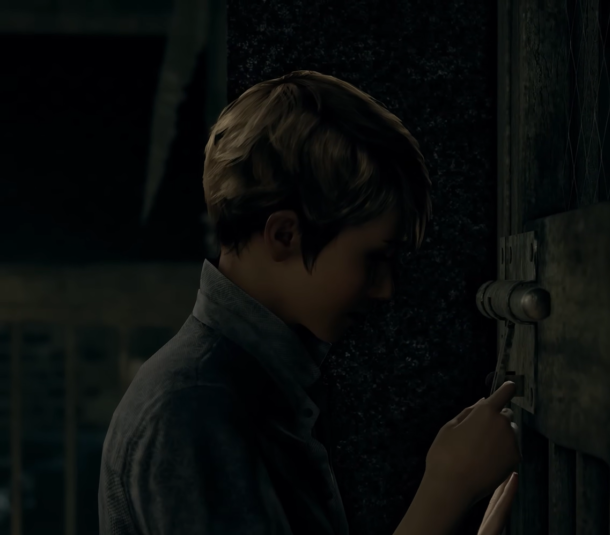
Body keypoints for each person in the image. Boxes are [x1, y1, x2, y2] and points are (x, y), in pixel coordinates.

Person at [98, 70, 521, 535]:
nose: (385, 290)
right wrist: (447, 490)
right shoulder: (195, 410)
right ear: (284, 235)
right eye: (374, 259)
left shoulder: (234, 387)